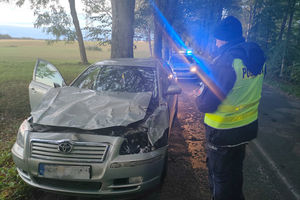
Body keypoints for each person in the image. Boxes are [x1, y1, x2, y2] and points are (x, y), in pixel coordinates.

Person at [195, 16, 266, 200]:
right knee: (234, 173)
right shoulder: (255, 56)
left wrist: (200, 93)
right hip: (246, 129)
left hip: (222, 132)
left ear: (223, 38)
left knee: (220, 178)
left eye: (217, 38)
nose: (216, 42)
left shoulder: (226, 62)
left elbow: (206, 104)